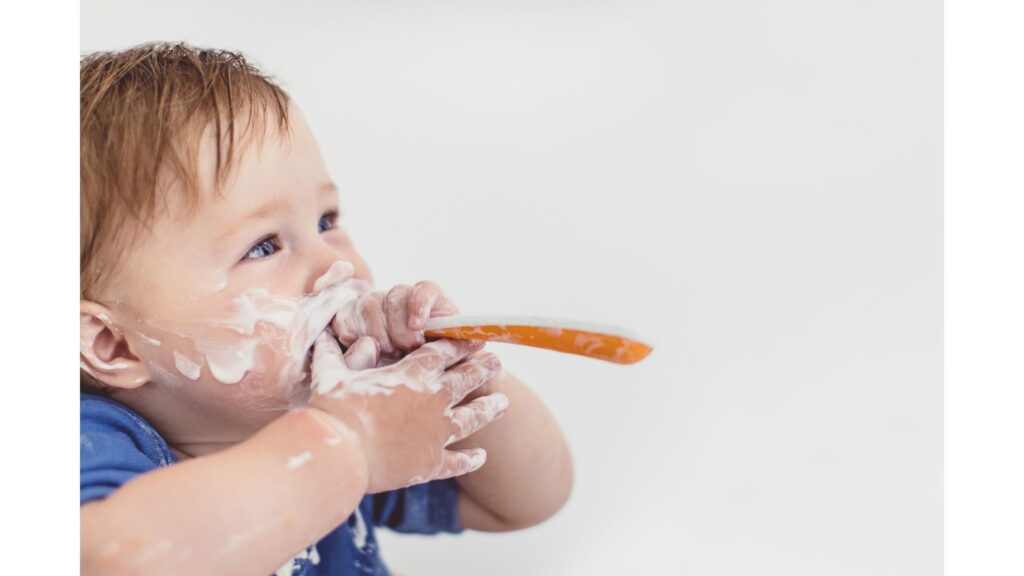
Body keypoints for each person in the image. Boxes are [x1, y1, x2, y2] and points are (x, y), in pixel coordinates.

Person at [79, 42, 573, 576]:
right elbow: (114, 558)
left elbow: (522, 502)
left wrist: (464, 382)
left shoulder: (334, 408)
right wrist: (344, 449)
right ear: (113, 344)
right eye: (263, 246)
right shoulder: (93, 442)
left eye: (326, 221)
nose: (334, 266)